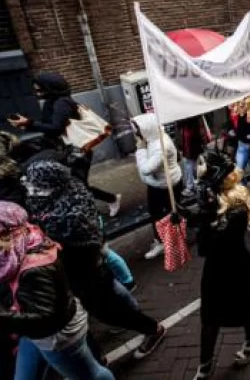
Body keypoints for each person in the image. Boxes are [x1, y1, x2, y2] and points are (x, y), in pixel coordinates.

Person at [23, 160, 166, 360]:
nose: (31, 189)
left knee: (105, 309)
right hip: (70, 272)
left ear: (50, 185)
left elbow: (74, 239)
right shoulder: (50, 199)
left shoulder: (71, 211)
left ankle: (152, 329)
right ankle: (97, 358)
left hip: (86, 270)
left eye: (35, 184)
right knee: (95, 307)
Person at [0, 201, 115, 380]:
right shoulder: (24, 242)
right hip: (34, 327)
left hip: (55, 336)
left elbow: (46, 319)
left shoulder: (33, 266)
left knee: (90, 374)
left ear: (7, 235)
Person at [181, 150, 250, 379]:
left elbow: (215, 241)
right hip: (215, 269)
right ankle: (204, 366)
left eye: (204, 166)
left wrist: (202, 217)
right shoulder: (208, 198)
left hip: (238, 266)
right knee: (209, 319)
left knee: (246, 310)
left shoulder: (237, 203)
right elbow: (205, 248)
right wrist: (186, 215)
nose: (199, 171)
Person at [8, 72, 121, 217]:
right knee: (74, 184)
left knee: (78, 185)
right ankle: (94, 207)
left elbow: (56, 128)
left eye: (39, 89)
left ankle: (108, 201)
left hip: (76, 152)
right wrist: (30, 125)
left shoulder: (62, 103)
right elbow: (51, 126)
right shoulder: (53, 101)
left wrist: (29, 123)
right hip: (66, 150)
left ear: (50, 87)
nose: (37, 93)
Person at [131, 114, 183, 260]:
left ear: (146, 129)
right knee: (167, 212)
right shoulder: (154, 138)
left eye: (138, 131)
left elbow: (147, 169)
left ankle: (164, 242)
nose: (136, 134)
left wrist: (140, 150)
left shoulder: (160, 146)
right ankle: (171, 236)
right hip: (161, 183)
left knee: (160, 215)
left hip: (165, 186)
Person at [177, 115, 209, 198]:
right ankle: (195, 185)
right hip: (191, 141)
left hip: (190, 142)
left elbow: (200, 129)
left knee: (189, 165)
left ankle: (191, 187)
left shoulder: (188, 121)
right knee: (192, 164)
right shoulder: (193, 118)